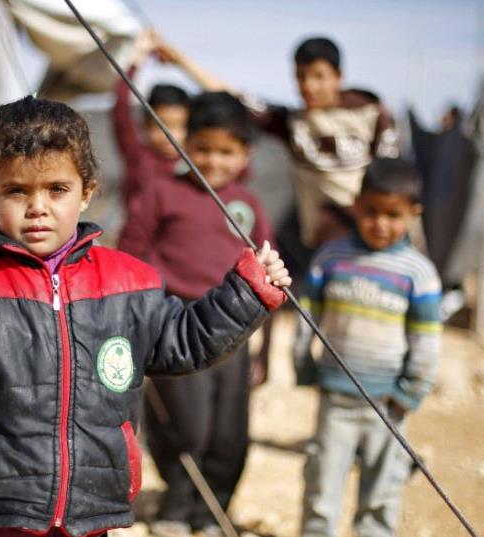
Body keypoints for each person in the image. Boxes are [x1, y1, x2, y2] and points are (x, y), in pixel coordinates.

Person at [0, 96, 291, 537]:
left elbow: (184, 341)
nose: (37, 206)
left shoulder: (128, 284)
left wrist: (247, 293)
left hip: (90, 521)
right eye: (16, 190)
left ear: (88, 191)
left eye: (57, 189)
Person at [118, 92, 275, 537]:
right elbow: (129, 263)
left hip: (236, 332)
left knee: (230, 436)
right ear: (185, 142)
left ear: (245, 154)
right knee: (188, 428)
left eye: (226, 151)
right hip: (176, 327)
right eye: (203, 148)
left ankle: (213, 514)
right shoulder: (162, 194)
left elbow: (269, 279)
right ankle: (177, 507)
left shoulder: (248, 205)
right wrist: (136, 332)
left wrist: (264, 349)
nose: (214, 160)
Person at [294, 158, 442, 537]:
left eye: (394, 215)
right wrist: (302, 363)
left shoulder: (418, 273)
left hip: (389, 407)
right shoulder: (331, 258)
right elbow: (306, 317)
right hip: (335, 402)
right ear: (356, 205)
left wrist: (410, 393)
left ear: (413, 214)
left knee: (381, 494)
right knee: (321, 488)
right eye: (371, 211)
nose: (380, 223)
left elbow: (426, 341)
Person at [251, 36, 399, 253]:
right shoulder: (294, 125)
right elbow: (237, 100)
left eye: (319, 76)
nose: (309, 86)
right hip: (325, 240)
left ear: (338, 76)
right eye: (301, 76)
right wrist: (184, 63)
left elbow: (391, 178)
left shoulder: (371, 115)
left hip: (374, 237)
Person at [113, 29, 227, 204]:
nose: (170, 136)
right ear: (145, 125)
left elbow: (225, 102)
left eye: (179, 126)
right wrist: (137, 59)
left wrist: (179, 61)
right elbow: (121, 108)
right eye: (161, 126)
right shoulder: (138, 156)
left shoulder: (200, 163)